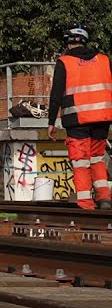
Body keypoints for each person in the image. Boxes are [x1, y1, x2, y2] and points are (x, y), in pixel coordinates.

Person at [48, 24, 112, 210]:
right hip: (102, 118)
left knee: (81, 161)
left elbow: (56, 95)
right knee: (97, 158)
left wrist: (51, 122)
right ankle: (104, 199)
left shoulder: (65, 62)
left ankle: (85, 204)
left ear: (68, 42)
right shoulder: (104, 60)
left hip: (77, 120)